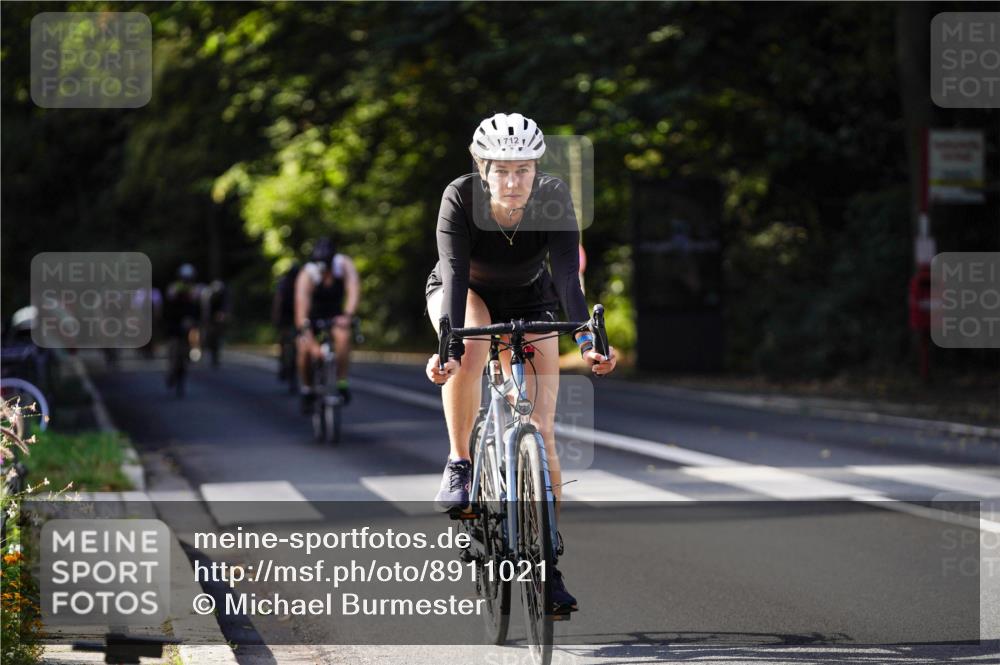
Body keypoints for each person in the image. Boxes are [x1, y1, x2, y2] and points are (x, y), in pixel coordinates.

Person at [423, 112, 617, 613]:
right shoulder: (459, 198)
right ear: (482, 168)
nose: (513, 182)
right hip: (462, 293)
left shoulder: (553, 197)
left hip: (532, 299)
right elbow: (456, 273)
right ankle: (461, 462)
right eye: (502, 170)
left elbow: (568, 279)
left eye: (523, 170)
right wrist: (448, 349)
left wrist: (588, 339)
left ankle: (547, 567)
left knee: (543, 429)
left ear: (536, 169)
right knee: (470, 346)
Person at [294, 237, 360, 414]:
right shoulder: (307, 275)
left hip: (336, 315)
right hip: (312, 317)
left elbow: (353, 291)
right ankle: (307, 389)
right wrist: (314, 347)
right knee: (304, 349)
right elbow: (301, 313)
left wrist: (348, 315)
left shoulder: (343, 264)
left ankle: (342, 382)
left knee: (343, 337)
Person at [163, 264, 201, 388]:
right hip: (174, 325)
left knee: (193, 335)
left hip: (189, 324)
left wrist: (193, 320)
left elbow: (197, 308)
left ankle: (195, 351)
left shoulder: (195, 290)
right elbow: (168, 308)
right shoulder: (173, 288)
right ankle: (171, 372)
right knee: (173, 352)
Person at [272, 262, 302, 383]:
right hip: (286, 315)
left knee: (294, 343)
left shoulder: (302, 283)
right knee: (285, 341)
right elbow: (278, 301)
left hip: (297, 314)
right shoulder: (284, 284)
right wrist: (277, 317)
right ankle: (283, 363)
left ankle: (290, 366)